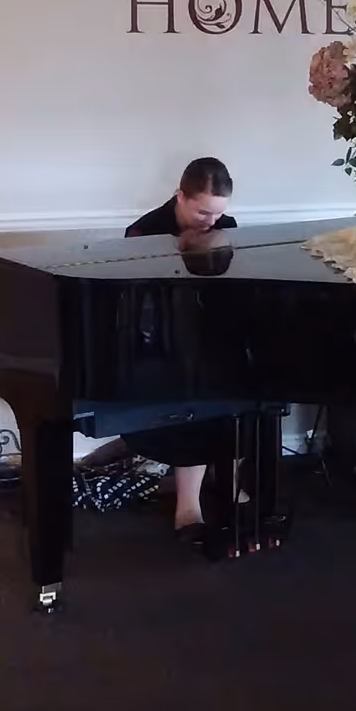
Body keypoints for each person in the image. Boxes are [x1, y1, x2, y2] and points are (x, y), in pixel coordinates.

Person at [83, 157, 237, 541]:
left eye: (218, 214)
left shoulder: (225, 228)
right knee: (195, 394)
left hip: (204, 336)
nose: (212, 221)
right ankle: (189, 506)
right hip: (150, 343)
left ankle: (230, 479)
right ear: (180, 196)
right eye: (203, 211)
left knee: (243, 378)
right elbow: (132, 305)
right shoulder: (144, 232)